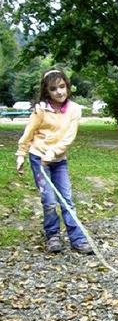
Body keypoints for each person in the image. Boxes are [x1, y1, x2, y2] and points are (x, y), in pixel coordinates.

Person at [15, 68, 93, 254]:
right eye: (53, 89)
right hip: (38, 159)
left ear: (67, 86)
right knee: (49, 200)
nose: (59, 92)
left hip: (58, 160)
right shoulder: (40, 109)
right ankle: (52, 236)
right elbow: (29, 132)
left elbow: (69, 136)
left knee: (67, 199)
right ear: (46, 91)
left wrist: (54, 152)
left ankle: (78, 239)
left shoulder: (74, 109)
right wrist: (21, 154)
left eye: (62, 86)